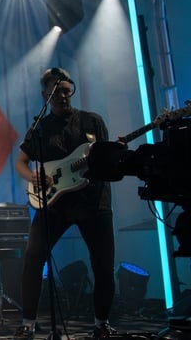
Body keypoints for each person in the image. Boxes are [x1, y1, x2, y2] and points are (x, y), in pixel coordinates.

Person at [13, 67, 115, 340]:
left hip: (93, 202)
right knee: (33, 258)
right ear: (46, 95)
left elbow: (106, 157)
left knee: (103, 265)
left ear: (72, 91)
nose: (62, 96)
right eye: (56, 92)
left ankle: (101, 323)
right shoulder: (40, 127)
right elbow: (20, 162)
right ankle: (28, 324)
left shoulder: (92, 121)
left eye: (66, 90)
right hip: (55, 203)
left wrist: (103, 162)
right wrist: (32, 175)